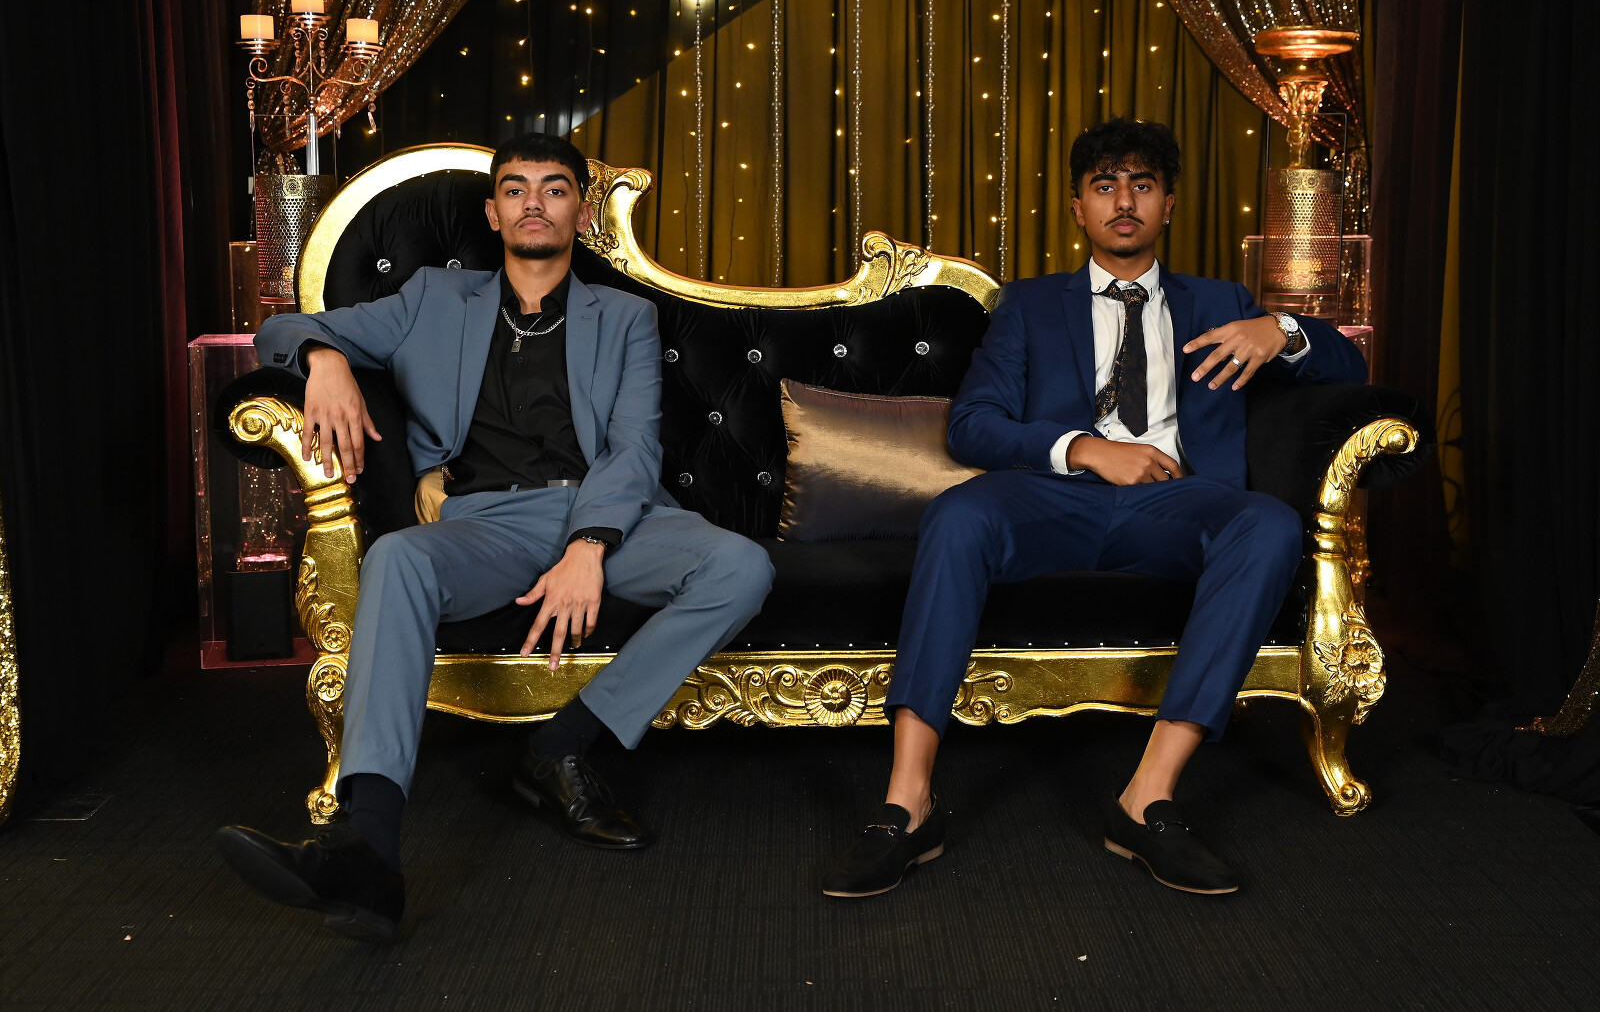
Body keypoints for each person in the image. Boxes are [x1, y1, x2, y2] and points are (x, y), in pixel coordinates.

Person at [216, 132, 774, 941]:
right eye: (516, 189)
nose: (533, 203)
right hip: (486, 525)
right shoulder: (432, 299)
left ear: (581, 214)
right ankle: (368, 849)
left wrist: (588, 547)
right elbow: (279, 331)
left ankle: (562, 744)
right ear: (493, 212)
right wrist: (324, 358)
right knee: (397, 556)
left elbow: (634, 448)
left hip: (611, 519)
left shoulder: (626, 316)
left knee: (742, 566)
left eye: (554, 189)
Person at [821, 118, 1366, 899]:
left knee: (1270, 523)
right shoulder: (1030, 305)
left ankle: (1148, 798)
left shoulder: (1221, 303)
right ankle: (907, 804)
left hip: (1179, 503)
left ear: (1168, 204)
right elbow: (972, 424)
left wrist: (1278, 329)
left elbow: (1350, 363)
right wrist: (1084, 447)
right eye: (1105, 186)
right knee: (960, 515)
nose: (1124, 201)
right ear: (1079, 207)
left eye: (1142, 185)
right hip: (1054, 498)